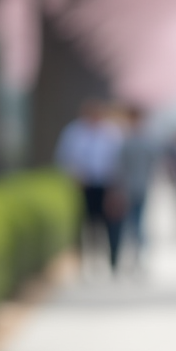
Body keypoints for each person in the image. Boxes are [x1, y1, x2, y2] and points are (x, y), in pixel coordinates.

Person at [54, 101, 123, 268]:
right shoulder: (74, 132)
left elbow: (120, 160)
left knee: (110, 223)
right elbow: (63, 157)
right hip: (84, 185)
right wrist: (74, 175)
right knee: (88, 224)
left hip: (107, 185)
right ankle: (88, 259)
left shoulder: (112, 133)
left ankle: (111, 257)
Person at [110, 103, 161, 272]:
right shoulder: (144, 141)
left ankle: (135, 256)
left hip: (132, 187)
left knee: (132, 223)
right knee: (136, 222)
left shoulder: (127, 141)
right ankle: (137, 256)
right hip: (137, 186)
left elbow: (119, 167)